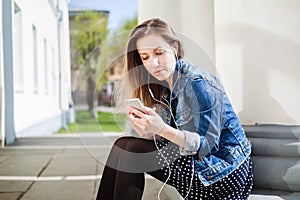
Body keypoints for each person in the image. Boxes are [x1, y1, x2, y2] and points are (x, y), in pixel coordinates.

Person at [96, 18, 253, 200]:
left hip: (222, 171)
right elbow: (173, 137)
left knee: (132, 152)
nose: (153, 63)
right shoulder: (163, 86)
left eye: (159, 53)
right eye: (145, 57)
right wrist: (150, 131)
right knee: (122, 145)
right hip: (196, 162)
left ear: (174, 47)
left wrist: (161, 128)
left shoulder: (197, 83)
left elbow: (207, 146)